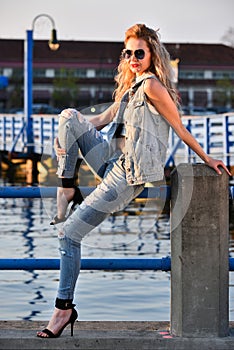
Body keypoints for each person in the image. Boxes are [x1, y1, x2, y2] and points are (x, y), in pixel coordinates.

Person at [37, 23, 231, 338]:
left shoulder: (154, 86)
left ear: (152, 53)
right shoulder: (132, 87)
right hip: (114, 163)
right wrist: (67, 139)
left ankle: (63, 309)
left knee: (68, 235)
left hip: (127, 178)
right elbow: (99, 120)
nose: (133, 58)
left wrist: (207, 158)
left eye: (139, 52)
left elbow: (179, 129)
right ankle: (66, 186)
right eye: (128, 53)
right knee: (69, 115)